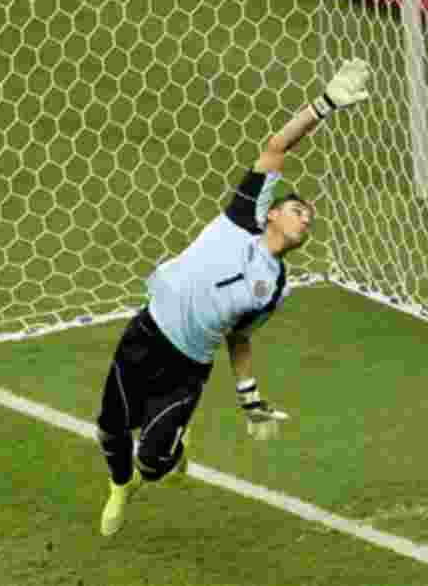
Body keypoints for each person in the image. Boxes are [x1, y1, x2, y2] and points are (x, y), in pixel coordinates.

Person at [94, 58, 373, 536]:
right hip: (147, 333)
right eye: (296, 208)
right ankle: (119, 488)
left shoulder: (276, 286)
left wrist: (251, 400)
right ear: (271, 215)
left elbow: (239, 338)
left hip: (187, 368)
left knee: (155, 462)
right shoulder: (244, 216)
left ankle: (166, 457)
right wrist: (325, 105)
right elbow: (278, 145)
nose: (305, 218)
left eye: (310, 218)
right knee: (109, 430)